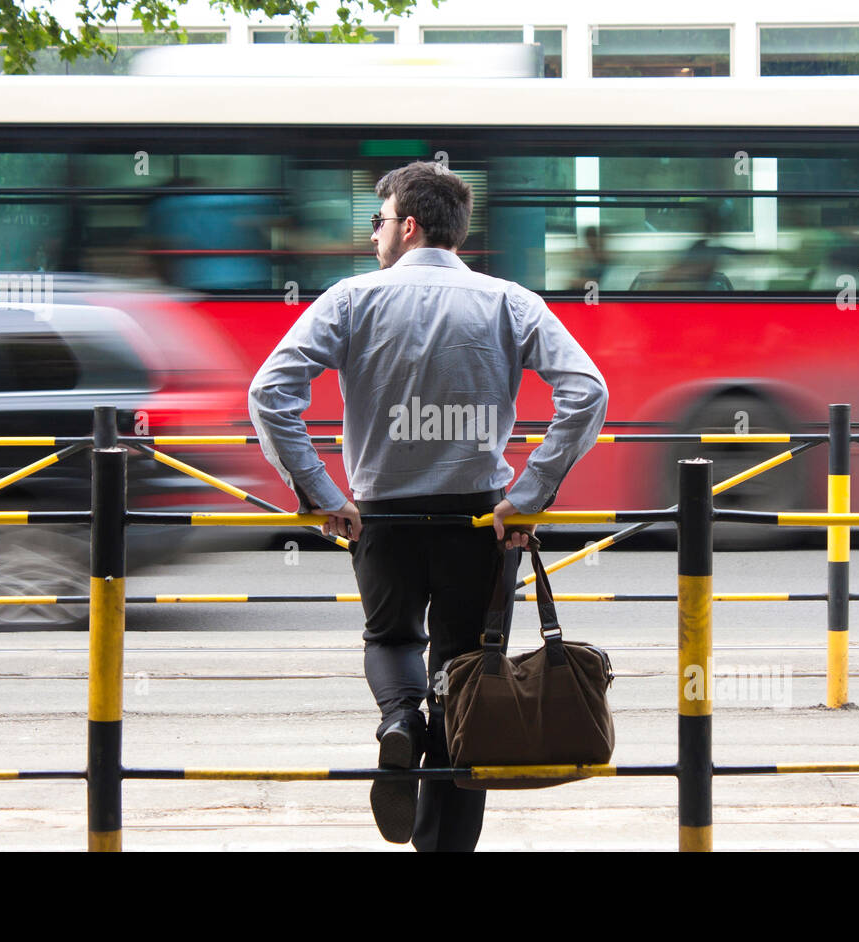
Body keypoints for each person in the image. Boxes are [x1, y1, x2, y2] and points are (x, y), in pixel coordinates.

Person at [248, 160, 608, 851]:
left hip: (380, 514)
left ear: (407, 226)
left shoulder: (350, 300)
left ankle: (400, 721)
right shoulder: (510, 302)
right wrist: (529, 495)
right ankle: (444, 841)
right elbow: (587, 392)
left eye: (378, 220)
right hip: (479, 517)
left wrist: (322, 495)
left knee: (390, 640)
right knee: (467, 668)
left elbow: (271, 394)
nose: (373, 235)